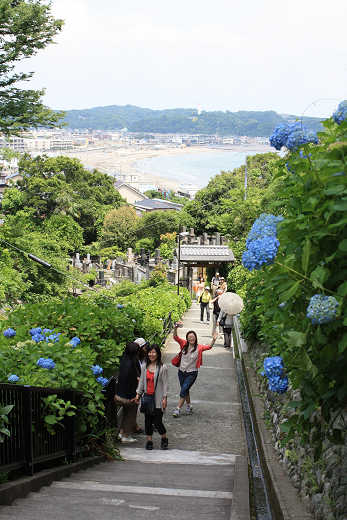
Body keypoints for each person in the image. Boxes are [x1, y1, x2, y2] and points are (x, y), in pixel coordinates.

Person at [172, 322, 218, 417]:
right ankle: (189, 406)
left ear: (195, 338)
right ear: (187, 338)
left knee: (184, 389)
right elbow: (176, 337)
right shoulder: (184, 344)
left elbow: (209, 347)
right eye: (189, 337)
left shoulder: (199, 347)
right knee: (185, 389)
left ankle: (178, 409)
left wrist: (213, 339)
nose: (191, 338)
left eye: (193, 337)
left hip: (192, 373)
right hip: (181, 372)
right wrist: (175, 328)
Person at [135, 344, 169, 450]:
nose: (151, 354)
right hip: (147, 397)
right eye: (150, 352)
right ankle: (149, 441)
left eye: (154, 352)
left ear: (158, 354)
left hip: (158, 399)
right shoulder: (144, 366)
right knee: (148, 421)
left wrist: (165, 398)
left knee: (157, 421)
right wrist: (138, 394)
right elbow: (141, 381)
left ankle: (164, 438)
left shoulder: (163, 368)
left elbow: (165, 384)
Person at [114, 342, 140, 443]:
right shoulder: (133, 364)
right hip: (129, 396)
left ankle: (120, 433)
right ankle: (126, 436)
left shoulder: (123, 360)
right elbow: (133, 381)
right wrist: (135, 397)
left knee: (124, 414)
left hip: (119, 394)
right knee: (130, 416)